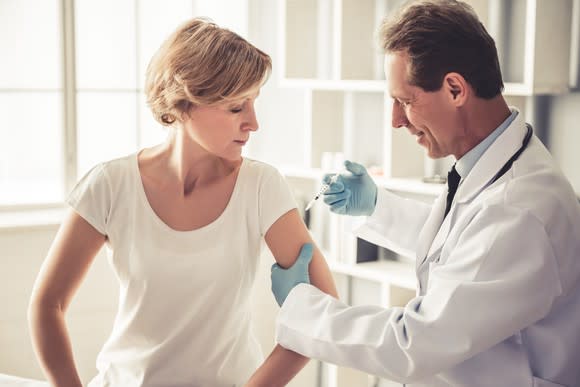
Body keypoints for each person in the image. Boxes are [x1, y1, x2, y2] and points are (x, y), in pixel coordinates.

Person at [270, 1, 580, 386]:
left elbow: (409, 344)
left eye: (405, 101)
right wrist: (377, 206)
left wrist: (302, 305)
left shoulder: (519, 210)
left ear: (454, 89)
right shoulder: (497, 170)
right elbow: (466, 245)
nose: (396, 121)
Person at [28, 18, 337, 387]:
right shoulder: (111, 184)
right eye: (237, 107)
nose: (253, 123)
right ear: (185, 102)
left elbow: (323, 308)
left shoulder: (260, 186)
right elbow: (47, 305)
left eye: (253, 104)